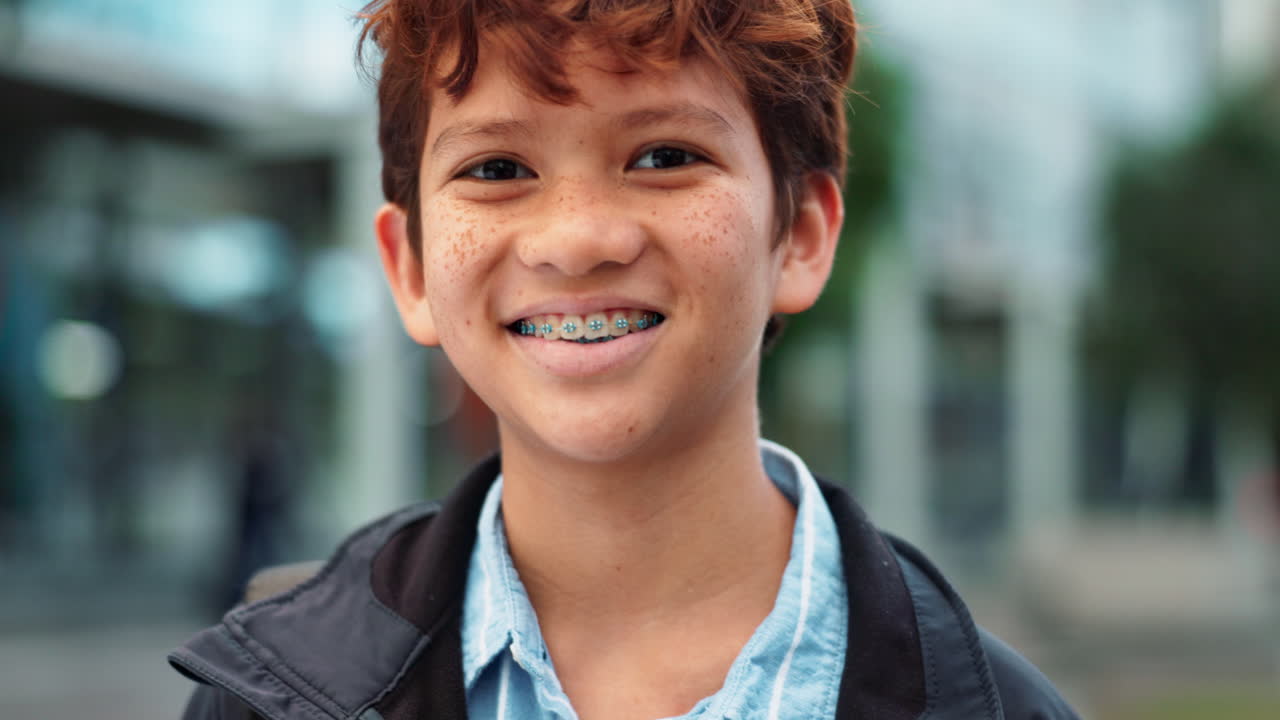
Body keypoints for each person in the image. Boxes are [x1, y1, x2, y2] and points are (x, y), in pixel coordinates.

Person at [171, 1, 1080, 718]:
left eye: (663, 155)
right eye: (496, 169)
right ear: (408, 268)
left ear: (799, 235)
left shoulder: (1004, 712)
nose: (575, 241)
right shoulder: (263, 698)